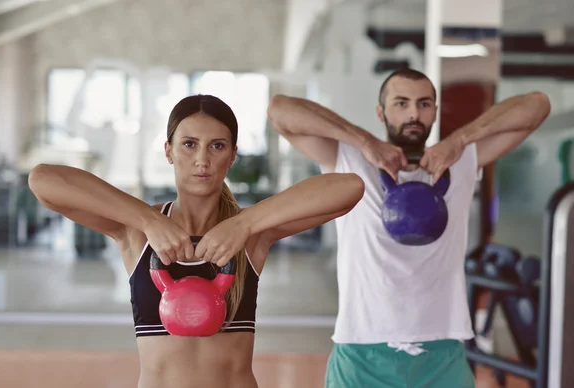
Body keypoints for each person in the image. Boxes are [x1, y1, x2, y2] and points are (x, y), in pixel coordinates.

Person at [28, 94, 365, 388]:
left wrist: (244, 223)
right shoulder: (137, 231)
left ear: (232, 155)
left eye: (216, 146)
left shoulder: (250, 234)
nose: (202, 159)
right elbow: (43, 180)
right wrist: (148, 219)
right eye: (189, 144)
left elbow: (349, 187)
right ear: (169, 151)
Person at [267, 68, 551, 388]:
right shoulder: (349, 158)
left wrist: (459, 140)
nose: (414, 113)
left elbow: (537, 105)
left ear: (434, 112)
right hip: (363, 353)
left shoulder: (461, 160)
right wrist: (365, 141)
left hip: (442, 353)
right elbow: (280, 109)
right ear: (381, 112)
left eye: (424, 104)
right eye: (401, 103)